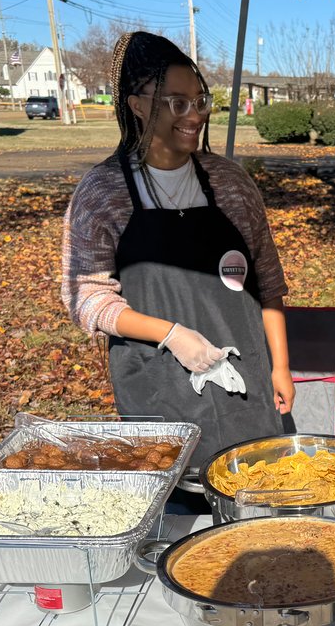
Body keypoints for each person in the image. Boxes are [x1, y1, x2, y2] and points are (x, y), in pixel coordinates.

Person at [61, 31, 294, 477]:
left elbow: (268, 282)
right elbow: (86, 298)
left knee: (260, 494)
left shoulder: (231, 184)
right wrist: (172, 335)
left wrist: (281, 367)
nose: (195, 116)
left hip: (247, 379)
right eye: (177, 102)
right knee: (180, 512)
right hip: (158, 380)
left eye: (200, 100)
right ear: (137, 104)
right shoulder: (103, 192)